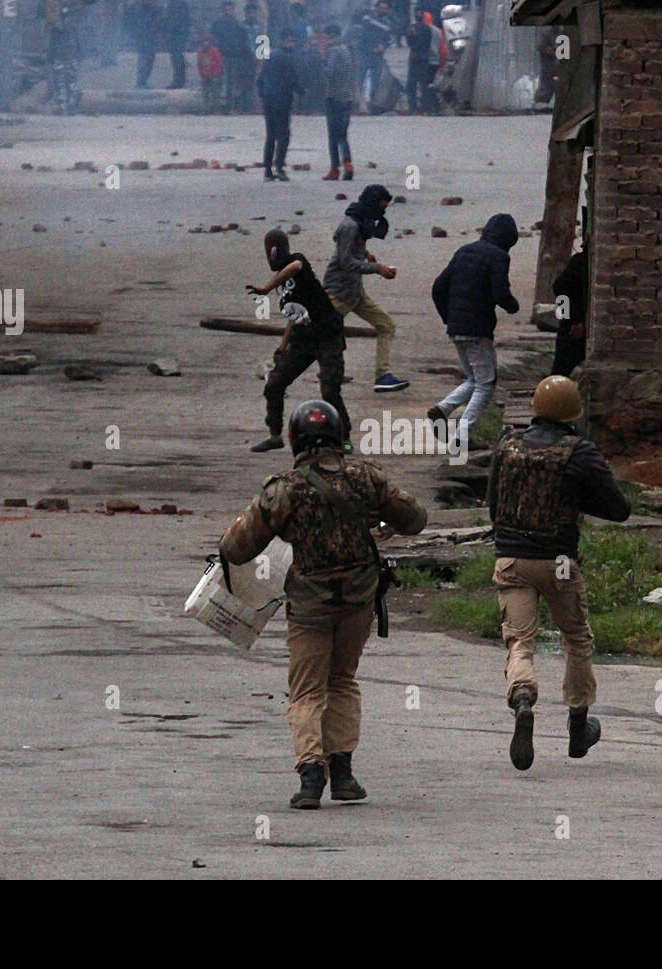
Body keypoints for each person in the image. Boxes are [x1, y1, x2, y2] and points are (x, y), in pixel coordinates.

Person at [219, 399, 427, 809]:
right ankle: (344, 774)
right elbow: (415, 518)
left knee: (307, 689)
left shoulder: (283, 490)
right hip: (359, 600)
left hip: (310, 606)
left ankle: (311, 776)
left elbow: (235, 549)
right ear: (340, 435)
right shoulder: (368, 478)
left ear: (295, 439)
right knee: (343, 681)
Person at [487, 375, 633, 772]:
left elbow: (493, 504)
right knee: (576, 638)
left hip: (512, 559)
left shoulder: (507, 445)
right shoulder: (579, 452)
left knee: (520, 640)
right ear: (574, 413)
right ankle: (578, 727)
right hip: (560, 561)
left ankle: (521, 699)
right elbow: (619, 509)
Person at [247, 229, 351, 452]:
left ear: (276, 251)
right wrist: (282, 346)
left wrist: (267, 288)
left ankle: (345, 438)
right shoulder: (285, 286)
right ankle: (275, 435)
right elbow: (295, 316)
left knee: (330, 391)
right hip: (304, 338)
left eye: (270, 252)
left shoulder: (297, 261)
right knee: (274, 384)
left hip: (327, 336)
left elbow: (295, 268)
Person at [427, 214, 519, 450]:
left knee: (474, 379)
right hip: (478, 329)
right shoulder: (499, 256)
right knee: (486, 384)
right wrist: (513, 306)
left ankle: (443, 409)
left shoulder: (463, 251)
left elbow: (438, 288)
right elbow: (500, 293)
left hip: (456, 328)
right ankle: (461, 438)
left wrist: (450, 318)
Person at [323, 185, 408, 393]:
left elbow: (353, 250)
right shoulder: (350, 226)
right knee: (318, 337)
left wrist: (365, 253)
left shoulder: (361, 223)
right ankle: (283, 369)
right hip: (338, 293)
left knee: (386, 325)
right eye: (381, 207)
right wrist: (377, 268)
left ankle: (383, 375)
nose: (382, 213)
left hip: (355, 293)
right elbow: (345, 262)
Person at [257, 29, 302, 182]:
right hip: (282, 102)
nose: (292, 44)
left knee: (270, 136)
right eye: (290, 41)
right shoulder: (289, 58)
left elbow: (260, 79)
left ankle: (268, 170)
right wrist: (303, 92)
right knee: (283, 135)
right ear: (283, 41)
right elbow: (292, 81)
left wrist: (262, 97)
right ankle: (280, 167)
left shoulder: (269, 55)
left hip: (269, 102)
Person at [320, 24, 354, 181]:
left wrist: (321, 61)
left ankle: (335, 168)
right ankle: (348, 163)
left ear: (330, 37)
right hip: (347, 97)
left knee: (333, 135)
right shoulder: (345, 49)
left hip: (334, 97)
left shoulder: (333, 51)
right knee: (343, 134)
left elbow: (329, 72)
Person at [550, 245, 588, 377]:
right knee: (563, 368)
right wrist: (572, 318)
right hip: (574, 326)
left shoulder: (581, 261)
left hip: (574, 321)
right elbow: (559, 287)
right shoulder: (582, 263)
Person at [209, 0, 248, 110]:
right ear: (222, 10)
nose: (227, 12)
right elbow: (212, 38)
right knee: (218, 81)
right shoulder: (217, 24)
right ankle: (215, 106)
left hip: (233, 56)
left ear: (233, 10)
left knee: (231, 82)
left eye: (229, 10)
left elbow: (242, 40)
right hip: (219, 56)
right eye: (225, 10)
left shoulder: (237, 24)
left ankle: (229, 106)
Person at [358, 0, 391, 107]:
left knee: (376, 80)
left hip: (378, 56)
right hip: (365, 55)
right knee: (360, 79)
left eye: (385, 8)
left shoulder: (386, 22)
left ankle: (372, 104)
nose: (383, 10)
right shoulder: (368, 20)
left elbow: (388, 38)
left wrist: (383, 46)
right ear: (376, 8)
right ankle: (357, 103)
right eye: (381, 8)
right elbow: (362, 38)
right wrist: (370, 48)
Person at [126, 0, 162, 88]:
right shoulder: (139, 8)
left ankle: (142, 81)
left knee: (148, 59)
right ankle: (141, 81)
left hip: (148, 38)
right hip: (144, 38)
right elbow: (136, 23)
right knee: (145, 59)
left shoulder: (150, 9)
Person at [163, 0, 190, 89]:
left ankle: (178, 81)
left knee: (176, 57)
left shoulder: (175, 4)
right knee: (177, 57)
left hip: (176, 35)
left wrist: (169, 32)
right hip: (178, 35)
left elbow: (173, 21)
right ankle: (179, 80)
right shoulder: (180, 4)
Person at [196, 32, 224, 111]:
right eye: (204, 41)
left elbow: (219, 63)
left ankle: (216, 108)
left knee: (215, 94)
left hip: (214, 76)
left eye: (207, 41)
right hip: (205, 76)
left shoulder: (214, 51)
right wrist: (202, 74)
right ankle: (206, 109)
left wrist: (216, 73)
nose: (205, 43)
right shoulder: (200, 53)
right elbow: (199, 65)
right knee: (205, 94)